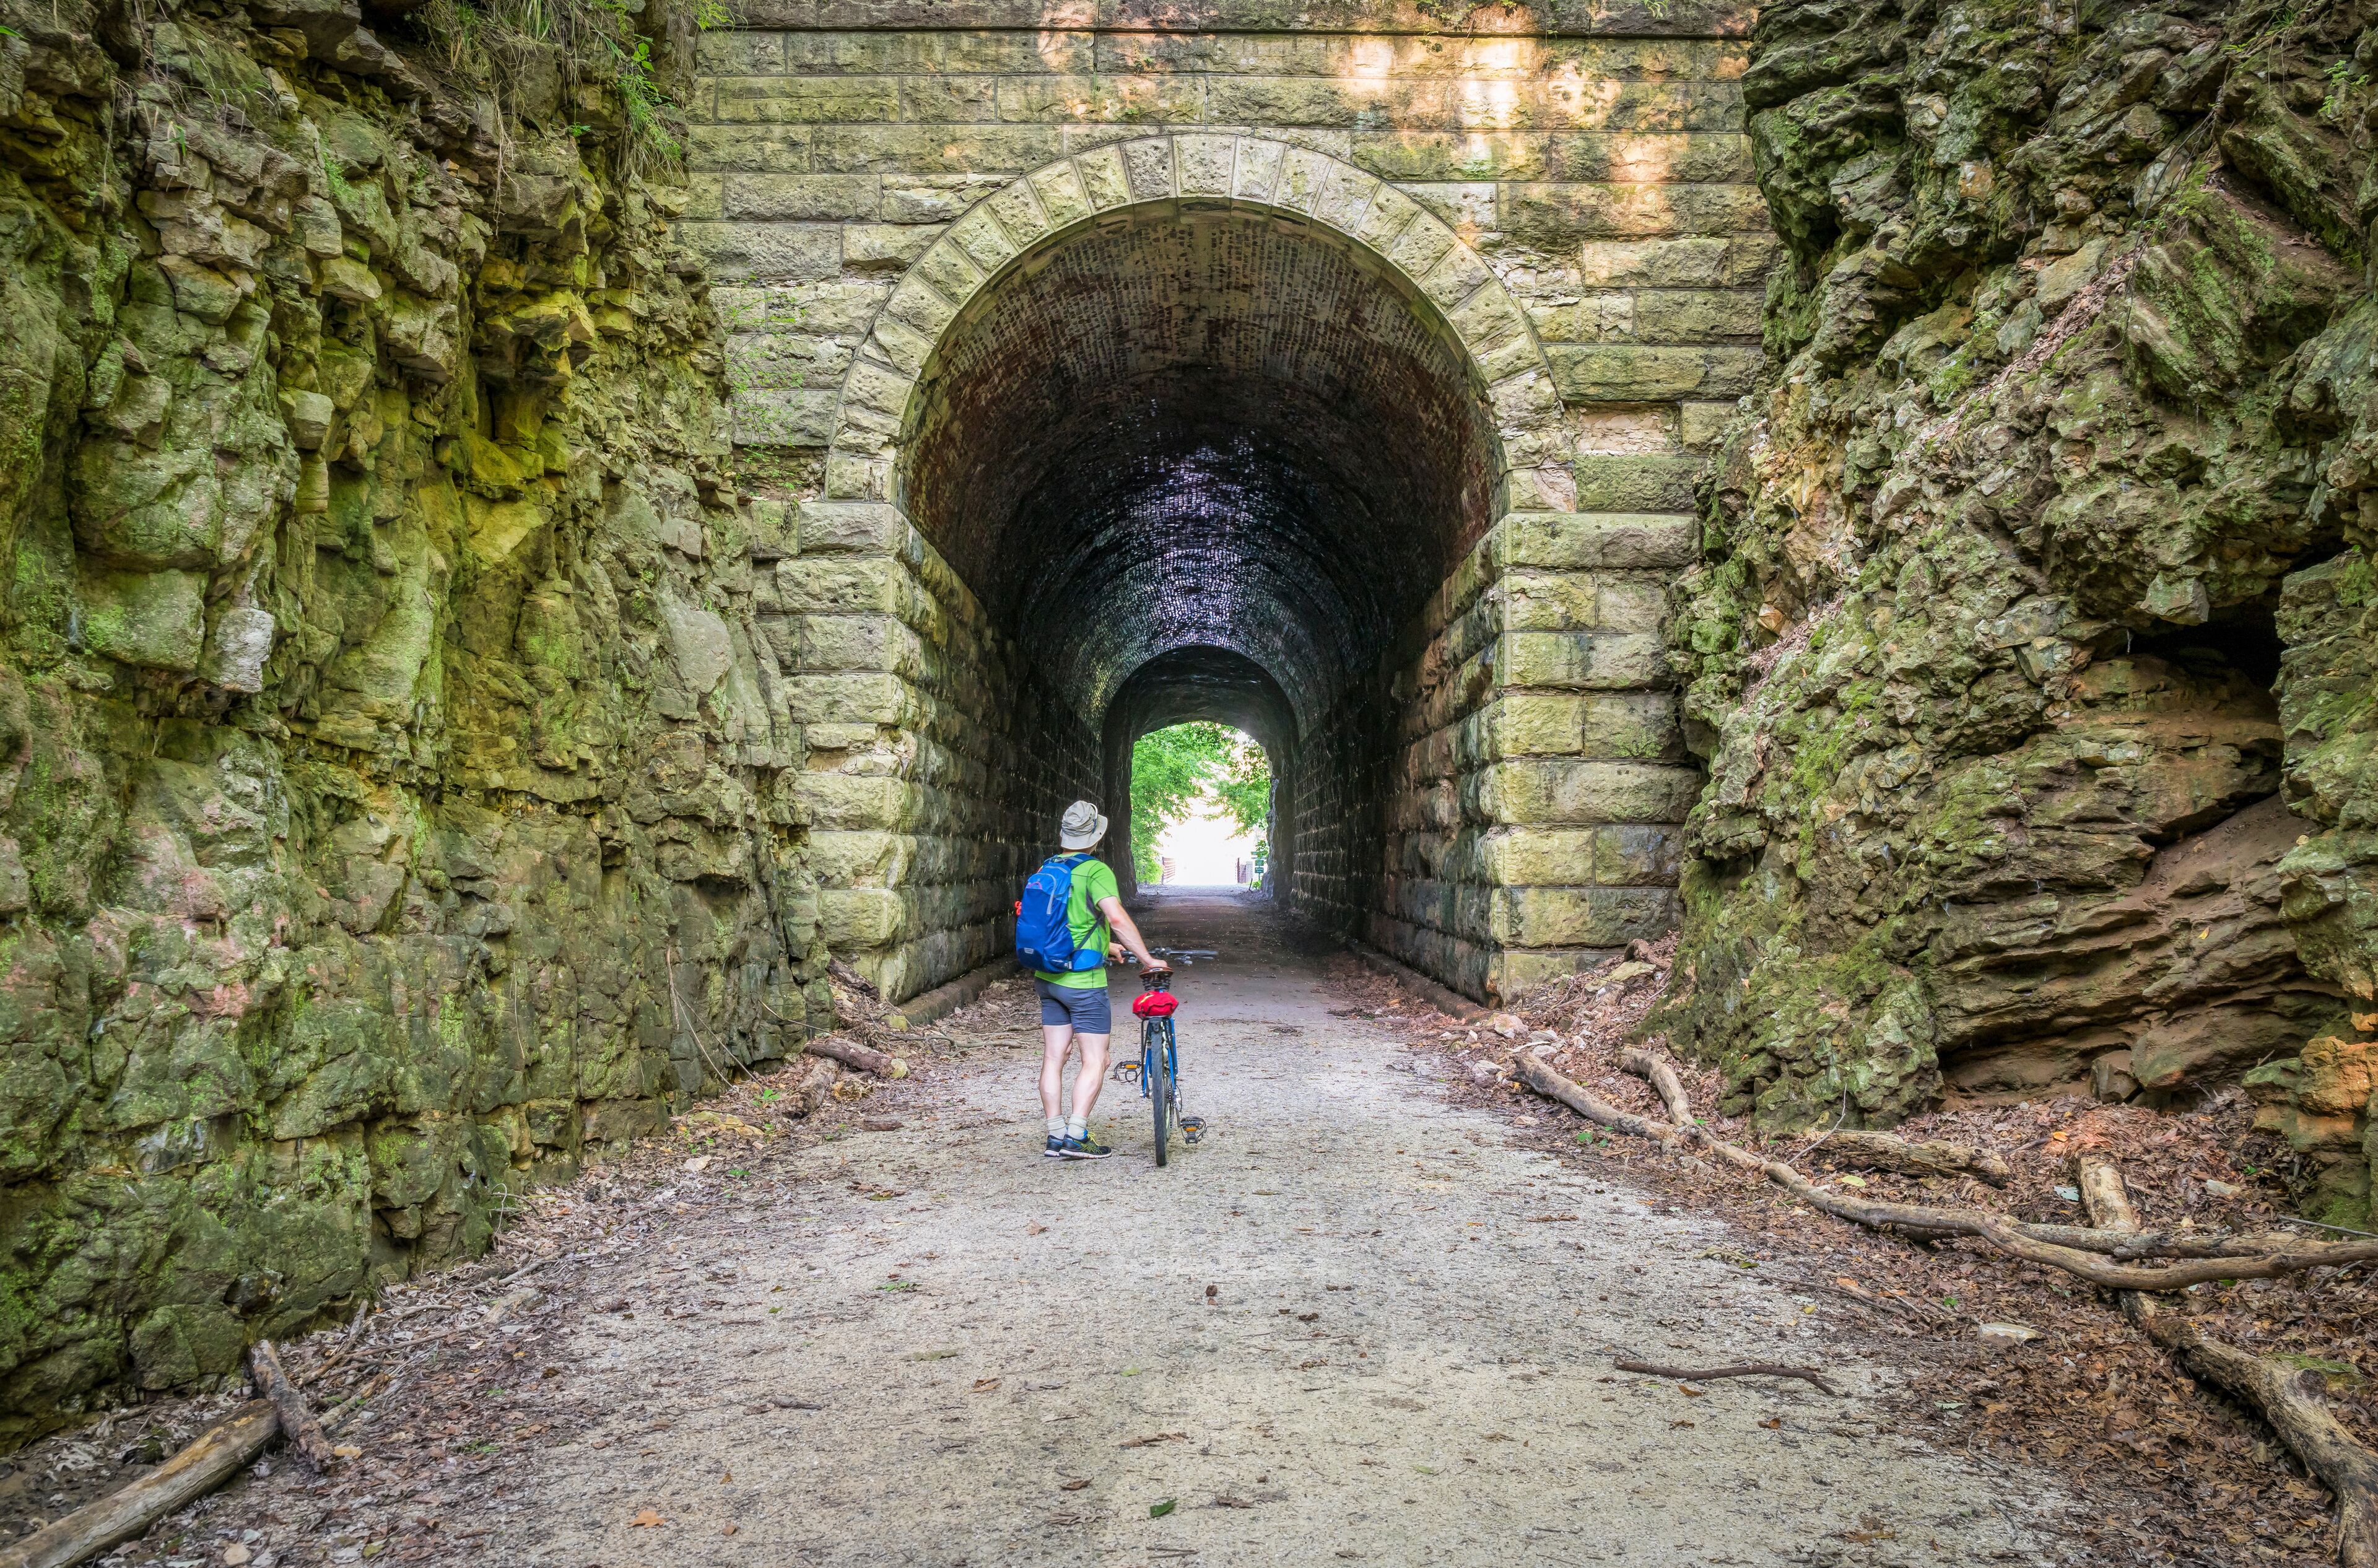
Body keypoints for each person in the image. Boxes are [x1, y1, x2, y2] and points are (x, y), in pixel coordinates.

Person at [1034, 799, 1167, 1160]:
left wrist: (1104, 944)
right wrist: (1148, 959)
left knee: (1054, 1056)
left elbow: (1062, 923)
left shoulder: (1049, 866)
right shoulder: (1094, 870)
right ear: (1095, 837)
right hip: (1083, 983)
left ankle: (1054, 1135)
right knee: (1097, 1059)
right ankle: (1076, 1136)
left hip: (1048, 978)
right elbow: (1118, 918)